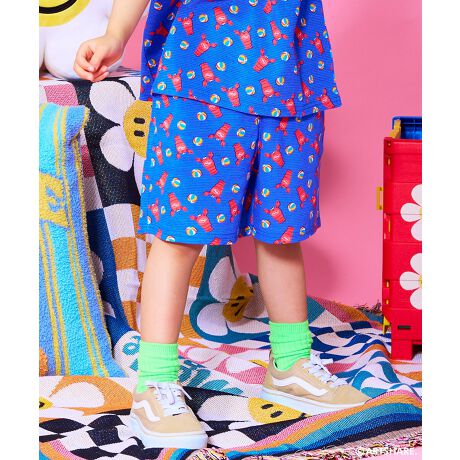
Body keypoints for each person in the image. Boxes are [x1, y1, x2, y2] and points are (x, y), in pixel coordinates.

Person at [74, 0, 369, 449]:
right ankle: (155, 383)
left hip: (293, 81)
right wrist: (115, 34)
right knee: (178, 235)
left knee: (282, 232)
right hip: (201, 78)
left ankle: (290, 364)